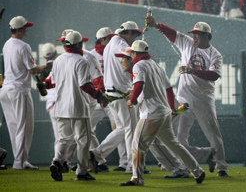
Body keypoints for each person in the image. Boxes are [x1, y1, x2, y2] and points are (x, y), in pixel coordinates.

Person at [146, 14, 228, 176]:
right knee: (179, 137)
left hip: (204, 98)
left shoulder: (215, 54)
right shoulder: (188, 44)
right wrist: (156, 25)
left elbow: (214, 75)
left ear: (207, 36)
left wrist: (193, 71)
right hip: (184, 98)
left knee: (213, 133)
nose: (194, 36)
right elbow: (173, 34)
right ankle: (199, 159)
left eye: (198, 34)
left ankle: (222, 167)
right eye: (193, 33)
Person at [118, 40, 206, 186]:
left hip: (151, 113)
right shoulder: (156, 66)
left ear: (134, 53)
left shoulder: (138, 65)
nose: (129, 57)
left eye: (131, 53)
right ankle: (197, 171)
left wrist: (132, 100)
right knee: (174, 144)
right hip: (163, 112)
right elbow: (168, 89)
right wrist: (171, 108)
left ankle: (137, 178)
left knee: (138, 145)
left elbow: (140, 85)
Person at [49, 31, 109, 182]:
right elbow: (84, 85)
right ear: (79, 44)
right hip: (78, 106)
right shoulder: (81, 61)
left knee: (64, 139)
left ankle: (57, 160)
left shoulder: (58, 60)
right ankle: (81, 171)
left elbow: (54, 82)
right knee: (83, 140)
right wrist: (99, 95)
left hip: (61, 106)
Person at [0, 16, 52, 170]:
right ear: (19, 29)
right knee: (25, 126)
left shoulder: (6, 44)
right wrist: (47, 66)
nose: (27, 30)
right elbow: (32, 70)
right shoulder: (24, 46)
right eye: (25, 27)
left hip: (6, 90)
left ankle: (20, 160)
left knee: (14, 127)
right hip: (19, 90)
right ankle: (20, 162)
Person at [89, 27, 129, 172]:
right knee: (127, 128)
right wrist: (100, 95)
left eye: (111, 36)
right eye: (107, 37)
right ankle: (130, 164)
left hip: (110, 93)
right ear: (101, 40)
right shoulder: (94, 54)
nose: (110, 39)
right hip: (105, 95)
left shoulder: (111, 49)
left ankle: (122, 161)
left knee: (122, 128)